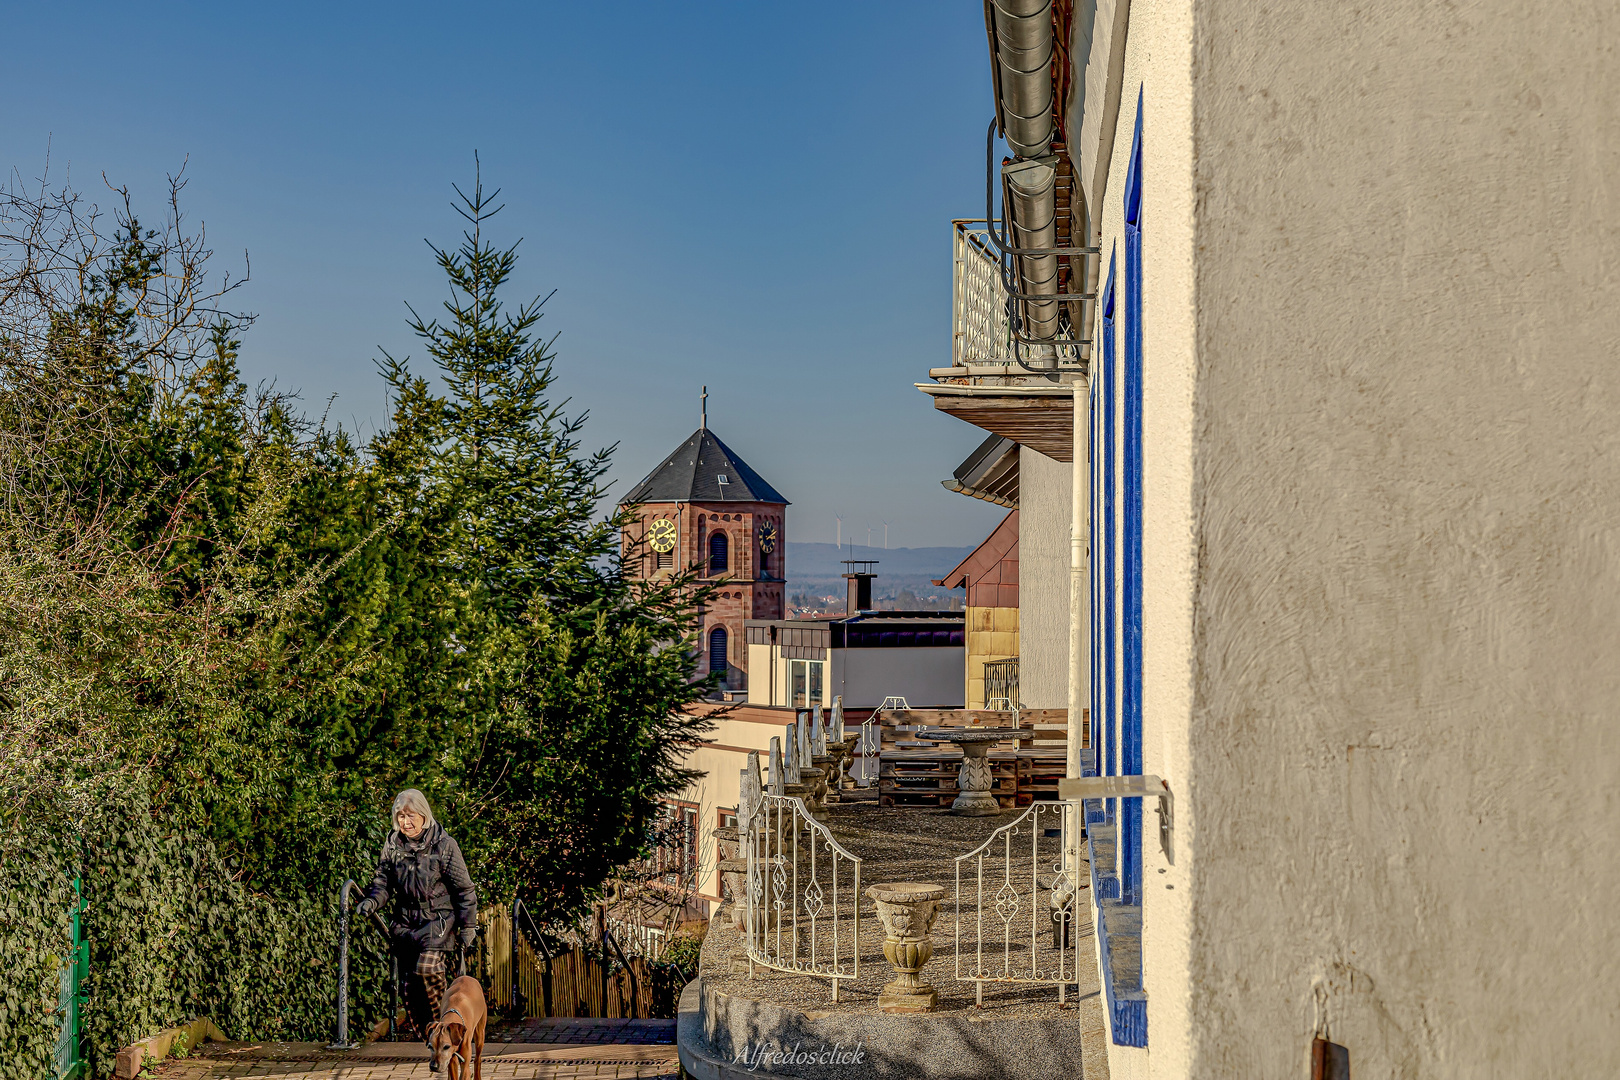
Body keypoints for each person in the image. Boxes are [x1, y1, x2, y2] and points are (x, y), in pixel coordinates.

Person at [356, 789, 478, 1042]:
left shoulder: (444, 845)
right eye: (400, 816)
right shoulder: (392, 844)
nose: (405, 822)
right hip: (405, 922)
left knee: (428, 968)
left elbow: (464, 890)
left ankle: (444, 1027)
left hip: (437, 920)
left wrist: (468, 928)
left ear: (424, 815)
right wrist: (371, 901)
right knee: (410, 984)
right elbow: (383, 883)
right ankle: (428, 1035)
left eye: (410, 816)